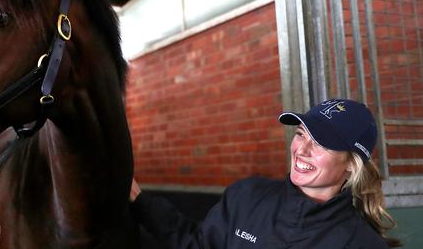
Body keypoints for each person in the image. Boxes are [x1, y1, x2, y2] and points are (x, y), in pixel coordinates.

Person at [130, 98, 401, 248]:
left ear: (351, 164)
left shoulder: (360, 244)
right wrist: (142, 201)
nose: (301, 149)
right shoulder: (246, 197)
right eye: (300, 134)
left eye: (320, 143)